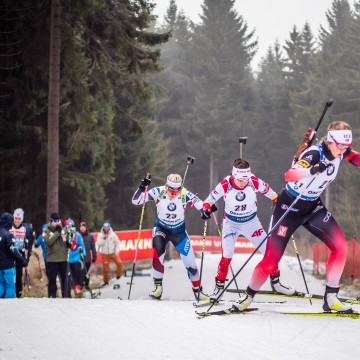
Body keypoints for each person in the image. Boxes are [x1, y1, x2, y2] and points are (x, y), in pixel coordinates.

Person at [233, 121, 360, 313]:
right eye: (340, 145)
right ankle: (247, 297)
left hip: (312, 207)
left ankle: (331, 298)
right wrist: (312, 169)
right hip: (289, 207)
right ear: (331, 140)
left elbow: (356, 158)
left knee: (341, 247)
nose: (343, 150)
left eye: (346, 146)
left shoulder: (341, 152)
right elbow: (290, 174)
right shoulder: (314, 154)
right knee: (271, 259)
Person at [201, 158, 295, 303]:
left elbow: (274, 195)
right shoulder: (226, 184)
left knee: (270, 252)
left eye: (245, 179)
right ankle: (218, 289)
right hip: (231, 224)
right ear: (234, 176)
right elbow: (208, 201)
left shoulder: (254, 181)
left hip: (252, 223)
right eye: (240, 180)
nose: (243, 183)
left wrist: (279, 204)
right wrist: (206, 210)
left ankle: (276, 283)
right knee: (227, 255)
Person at [132, 173, 207, 300]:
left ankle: (197, 291)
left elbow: (201, 205)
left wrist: (206, 212)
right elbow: (136, 201)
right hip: (161, 228)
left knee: (191, 263)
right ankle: (158, 289)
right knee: (158, 253)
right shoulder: (158, 192)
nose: (173, 193)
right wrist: (141, 187)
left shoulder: (184, 193)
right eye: (171, 190)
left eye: (176, 191)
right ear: (167, 186)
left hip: (179, 232)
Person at [0, 212, 28, 298]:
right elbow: (13, 250)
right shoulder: (8, 235)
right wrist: (22, 260)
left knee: (1, 285)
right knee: (10, 286)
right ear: (8, 222)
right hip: (8, 266)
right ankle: (10, 306)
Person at [44, 212, 70, 298]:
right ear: (51, 222)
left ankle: (66, 296)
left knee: (65, 281)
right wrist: (57, 233)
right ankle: (52, 297)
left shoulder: (64, 230)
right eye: (55, 221)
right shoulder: (46, 231)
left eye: (59, 221)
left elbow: (68, 241)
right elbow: (49, 242)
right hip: (52, 260)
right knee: (52, 281)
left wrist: (69, 241)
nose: (57, 223)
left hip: (63, 260)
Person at [9, 208, 34, 298]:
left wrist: (27, 257)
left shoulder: (25, 228)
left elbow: (29, 243)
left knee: (19, 275)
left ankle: (18, 295)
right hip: (10, 254)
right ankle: (9, 294)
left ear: (22, 219)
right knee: (10, 274)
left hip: (20, 254)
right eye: (15, 218)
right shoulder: (9, 227)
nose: (17, 220)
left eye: (19, 219)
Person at [63, 218, 86, 295]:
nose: (70, 228)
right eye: (68, 226)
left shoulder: (77, 235)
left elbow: (81, 245)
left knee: (78, 270)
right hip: (68, 258)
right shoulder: (64, 235)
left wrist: (84, 254)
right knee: (70, 273)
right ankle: (72, 287)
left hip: (77, 257)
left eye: (71, 226)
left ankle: (78, 286)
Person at [96, 222, 122, 287]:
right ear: (103, 228)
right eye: (105, 227)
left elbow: (118, 243)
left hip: (112, 253)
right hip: (104, 254)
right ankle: (106, 281)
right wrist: (104, 238)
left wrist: (117, 251)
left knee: (119, 263)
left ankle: (119, 276)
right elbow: (99, 244)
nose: (106, 228)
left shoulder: (113, 235)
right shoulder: (100, 235)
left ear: (109, 228)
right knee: (105, 268)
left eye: (107, 227)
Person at [79, 221, 97, 290]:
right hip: (80, 258)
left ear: (86, 228)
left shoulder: (90, 236)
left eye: (83, 227)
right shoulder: (78, 236)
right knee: (81, 272)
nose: (82, 228)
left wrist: (94, 256)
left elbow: (93, 247)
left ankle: (86, 284)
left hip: (88, 258)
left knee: (87, 273)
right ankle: (81, 284)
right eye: (81, 227)